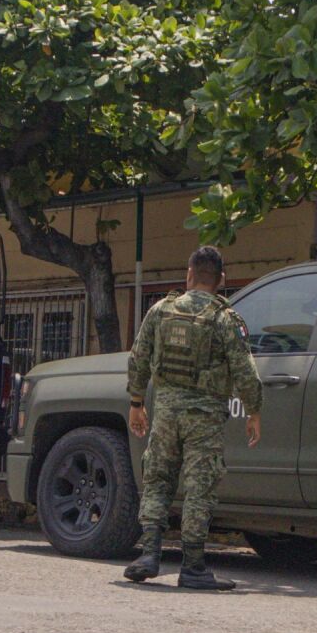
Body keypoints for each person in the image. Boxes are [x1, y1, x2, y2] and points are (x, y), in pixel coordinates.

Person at [123, 246, 263, 590]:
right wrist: (254, 410)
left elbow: (139, 357)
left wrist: (136, 403)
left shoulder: (160, 310)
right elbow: (245, 371)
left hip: (166, 412)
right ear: (222, 281)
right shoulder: (225, 319)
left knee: (158, 478)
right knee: (200, 487)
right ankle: (194, 566)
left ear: (188, 274)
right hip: (205, 416)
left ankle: (149, 553)